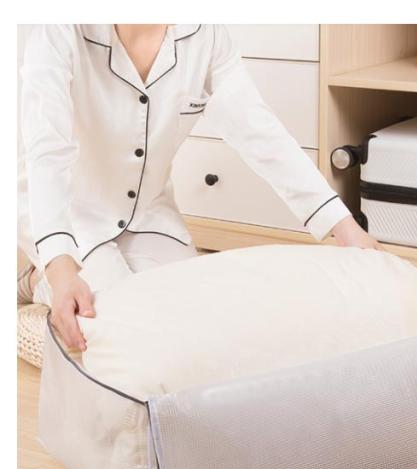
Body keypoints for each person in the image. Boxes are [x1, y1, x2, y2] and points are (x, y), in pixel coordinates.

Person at [18, 24, 379, 351]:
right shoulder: (57, 30)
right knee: (121, 325)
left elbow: (260, 132)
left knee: (193, 314)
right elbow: (48, 154)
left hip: (145, 211)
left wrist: (343, 225)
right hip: (66, 209)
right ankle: (38, 279)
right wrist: (61, 268)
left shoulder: (205, 35)